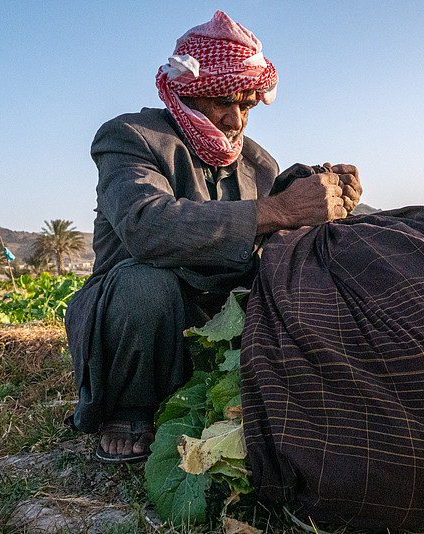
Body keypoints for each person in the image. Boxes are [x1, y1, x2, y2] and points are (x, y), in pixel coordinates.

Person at [64, 11, 362, 463]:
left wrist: (321, 196)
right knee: (148, 285)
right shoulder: (130, 138)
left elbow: (269, 226)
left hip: (218, 316)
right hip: (140, 317)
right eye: (223, 101)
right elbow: (149, 226)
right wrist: (281, 208)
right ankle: (130, 407)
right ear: (187, 92)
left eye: (247, 105)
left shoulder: (259, 163)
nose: (236, 118)